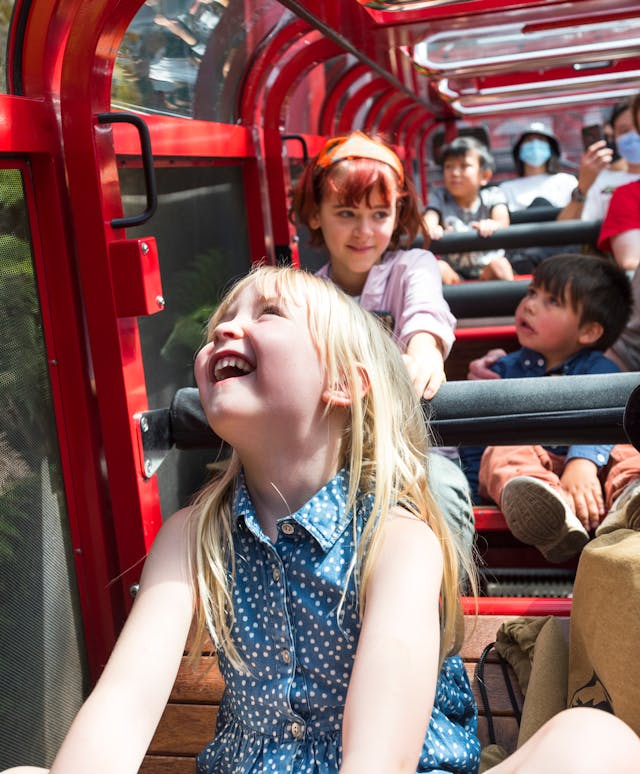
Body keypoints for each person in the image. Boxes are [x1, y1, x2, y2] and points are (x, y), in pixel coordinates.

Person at [6, 266, 640, 774]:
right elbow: (124, 702)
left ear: (343, 382)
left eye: (268, 314)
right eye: (222, 321)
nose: (225, 330)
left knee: (595, 742)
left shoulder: (396, 539)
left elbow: (379, 758)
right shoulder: (192, 535)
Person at [289, 130, 475, 557]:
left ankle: (443, 612)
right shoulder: (303, 296)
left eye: (379, 214)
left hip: (415, 449)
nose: (364, 231)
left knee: (440, 498)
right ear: (315, 215)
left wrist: (424, 349)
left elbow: (425, 313)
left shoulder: (411, 266)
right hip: (334, 454)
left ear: (397, 214)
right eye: (347, 213)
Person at [463, 254, 639, 563]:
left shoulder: (602, 369)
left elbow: (608, 418)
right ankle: (547, 513)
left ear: (588, 332)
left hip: (592, 478)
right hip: (533, 470)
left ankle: (631, 497)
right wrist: (476, 484)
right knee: (502, 450)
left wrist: (583, 461)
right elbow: (478, 432)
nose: (530, 304)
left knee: (624, 449)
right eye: (531, 292)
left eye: (552, 301)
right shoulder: (502, 368)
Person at [423, 136, 513, 283]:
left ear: (484, 175)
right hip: (455, 275)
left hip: (487, 271)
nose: (455, 173)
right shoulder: (440, 197)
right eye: (449, 166)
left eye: (464, 166)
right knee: (437, 268)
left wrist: (493, 225)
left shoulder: (493, 195)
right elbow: (429, 219)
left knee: (500, 265)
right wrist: (432, 228)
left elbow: (502, 220)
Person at [559, 96, 640, 224]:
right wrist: (583, 187)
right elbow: (563, 231)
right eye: (624, 131)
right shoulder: (598, 181)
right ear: (614, 137)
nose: (635, 135)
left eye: (638, 128)